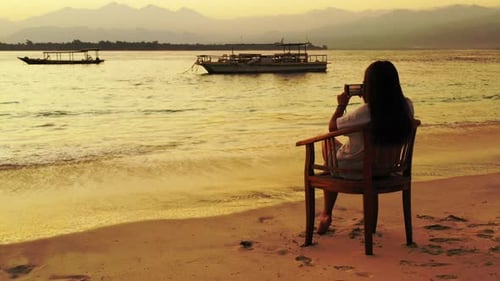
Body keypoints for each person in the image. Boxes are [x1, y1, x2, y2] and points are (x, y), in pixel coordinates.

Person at [317, 60, 414, 235]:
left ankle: (326, 213)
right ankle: (370, 225)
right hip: (386, 169)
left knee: (327, 142)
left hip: (357, 170)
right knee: (341, 149)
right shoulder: (407, 106)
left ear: (370, 86)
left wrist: (341, 105)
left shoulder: (366, 112)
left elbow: (332, 127)